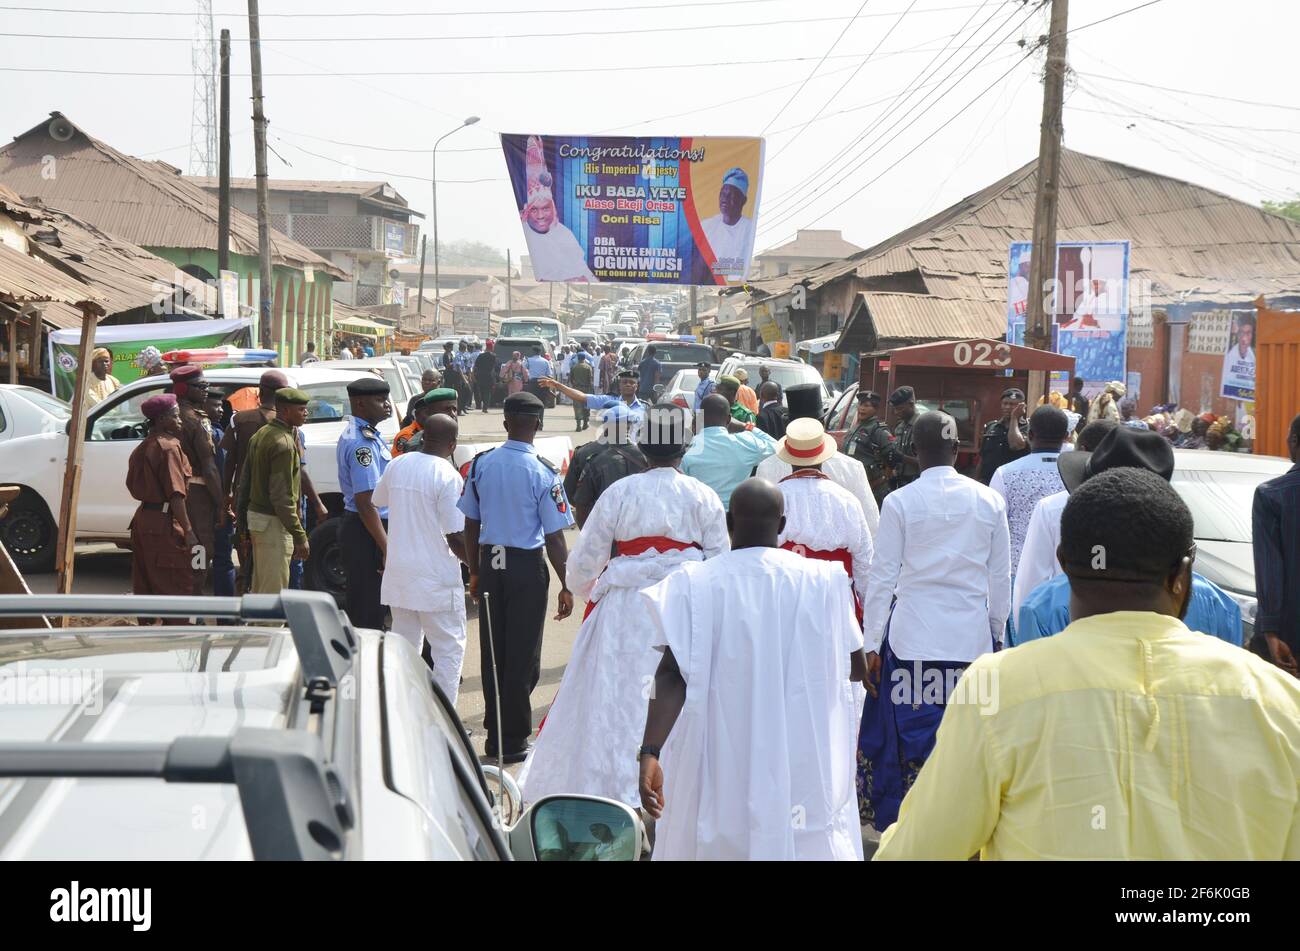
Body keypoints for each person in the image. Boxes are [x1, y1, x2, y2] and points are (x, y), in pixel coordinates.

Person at [875, 468, 1300, 860]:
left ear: (1062, 563)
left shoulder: (997, 690)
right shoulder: (1281, 703)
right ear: (1181, 575)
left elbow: (916, 852)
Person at [638, 478, 867, 860]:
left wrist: (650, 752)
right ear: (782, 525)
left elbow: (670, 674)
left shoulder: (693, 583)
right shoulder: (824, 581)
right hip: (800, 755)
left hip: (718, 751)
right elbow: (856, 668)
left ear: (729, 522)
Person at [519, 406, 727, 809]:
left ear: (642, 449)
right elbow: (720, 562)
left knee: (615, 702)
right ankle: (678, 793)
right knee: (680, 696)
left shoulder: (621, 492)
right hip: (684, 611)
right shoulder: (703, 495)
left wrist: (588, 588)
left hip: (624, 613)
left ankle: (612, 793)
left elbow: (582, 562)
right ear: (683, 450)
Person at [857, 411, 1010, 833]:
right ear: (958, 451)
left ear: (914, 453)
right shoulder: (989, 501)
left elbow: (882, 577)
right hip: (970, 642)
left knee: (909, 738)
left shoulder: (900, 502)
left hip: (912, 641)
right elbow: (1000, 578)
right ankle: (964, 825)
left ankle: (913, 829)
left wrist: (871, 645)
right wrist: (996, 634)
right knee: (966, 738)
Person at [459, 391, 575, 762]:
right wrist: (567, 584)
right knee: (523, 655)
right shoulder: (543, 471)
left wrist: (475, 572)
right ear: (538, 425)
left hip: (491, 565)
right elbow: (555, 537)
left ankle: (496, 736)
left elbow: (470, 522)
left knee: (494, 651)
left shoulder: (481, 465)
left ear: (505, 422)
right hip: (526, 567)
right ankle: (514, 740)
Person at [372, 411, 469, 702]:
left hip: (400, 575)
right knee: (448, 652)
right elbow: (455, 535)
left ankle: (401, 712)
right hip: (435, 579)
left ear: (423, 436)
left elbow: (378, 502)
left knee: (404, 649)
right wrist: (475, 568)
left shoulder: (398, 464)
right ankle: (444, 722)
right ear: (452, 444)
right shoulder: (447, 476)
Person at [1011, 419, 1119, 627]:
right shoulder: (1139, 506)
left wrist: (1023, 632)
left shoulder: (1052, 507)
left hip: (1064, 628)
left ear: (1083, 451)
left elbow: (1031, 582)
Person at [774, 418, 873, 623]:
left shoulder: (775, 497)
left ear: (789, 458)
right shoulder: (847, 500)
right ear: (823, 456)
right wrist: (866, 609)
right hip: (836, 602)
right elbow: (864, 563)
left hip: (785, 601)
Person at [757, 383, 880, 539]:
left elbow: (759, 527)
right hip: (837, 560)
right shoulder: (851, 467)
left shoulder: (767, 467)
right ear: (822, 424)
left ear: (789, 426)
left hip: (781, 559)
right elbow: (871, 526)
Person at [236, 388, 311, 594]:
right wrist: (300, 535)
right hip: (273, 524)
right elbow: (281, 497)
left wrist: (242, 522)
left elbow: (245, 481)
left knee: (261, 590)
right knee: (273, 594)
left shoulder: (263, 433)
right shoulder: (283, 443)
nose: (306, 413)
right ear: (286, 411)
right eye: (301, 409)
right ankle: (269, 628)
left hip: (259, 519)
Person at [125, 395, 198, 602]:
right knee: (175, 585)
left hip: (144, 520)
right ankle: (177, 632)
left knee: (147, 583)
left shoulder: (144, 446)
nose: (180, 421)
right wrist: (189, 531)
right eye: (176, 416)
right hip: (164, 523)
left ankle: (150, 629)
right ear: (162, 419)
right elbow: (175, 494)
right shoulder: (168, 447)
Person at [337, 376, 393, 630]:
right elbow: (366, 501)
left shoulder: (364, 433)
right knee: (369, 609)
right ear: (360, 404)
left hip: (367, 527)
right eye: (380, 400)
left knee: (371, 605)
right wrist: (386, 546)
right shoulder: (362, 442)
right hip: (367, 529)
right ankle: (364, 667)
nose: (387, 405)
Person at [988, 404, 1068, 579]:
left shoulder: (1005, 473)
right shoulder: (1075, 474)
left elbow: (992, 525)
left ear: (1030, 435)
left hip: (1016, 570)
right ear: (1066, 437)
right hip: (1064, 573)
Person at [1252, 412, 1300, 676]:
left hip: (1289, 638)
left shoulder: (1272, 495)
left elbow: (1270, 568)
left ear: (1294, 440)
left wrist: (1270, 631)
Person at [170, 365, 223, 596]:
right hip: (198, 496)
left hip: (174, 493)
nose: (206, 390)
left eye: (206, 385)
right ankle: (195, 611)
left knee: (179, 553)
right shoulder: (199, 420)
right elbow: (210, 468)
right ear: (183, 389)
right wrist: (221, 504)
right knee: (201, 549)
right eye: (200, 386)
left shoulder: (170, 416)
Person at [679, 393, 777, 509]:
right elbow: (775, 445)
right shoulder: (745, 443)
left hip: (700, 520)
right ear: (729, 419)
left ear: (700, 417)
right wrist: (747, 426)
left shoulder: (686, 448)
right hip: (736, 520)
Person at [569, 403, 648, 527]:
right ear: (630, 426)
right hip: (638, 527)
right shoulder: (645, 457)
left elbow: (573, 497)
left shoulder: (585, 454)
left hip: (600, 527)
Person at [520, 182, 598, 282]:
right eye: (534, 210)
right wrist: (571, 281)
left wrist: (591, 281)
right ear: (526, 212)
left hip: (574, 291)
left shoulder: (564, 233)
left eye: (545, 209)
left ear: (553, 209)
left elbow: (582, 268)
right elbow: (532, 278)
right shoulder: (523, 233)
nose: (540, 216)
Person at [695, 167, 757, 284]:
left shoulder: (749, 229)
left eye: (731, 195)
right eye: (723, 193)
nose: (725, 199)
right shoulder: (707, 226)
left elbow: (741, 269)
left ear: (743, 200)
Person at [540, 367, 649, 431]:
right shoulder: (608, 401)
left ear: (637, 386)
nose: (628, 385)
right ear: (619, 385)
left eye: (632, 383)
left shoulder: (645, 407)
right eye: (625, 382)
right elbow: (581, 396)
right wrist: (558, 385)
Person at [205, 390, 237, 598]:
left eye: (221, 406)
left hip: (203, 505)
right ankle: (226, 617)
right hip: (215, 506)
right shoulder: (213, 434)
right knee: (222, 559)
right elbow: (221, 470)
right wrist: (224, 506)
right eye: (215, 406)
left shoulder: (210, 430)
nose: (220, 411)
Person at [841, 389, 896, 506]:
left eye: (867, 406)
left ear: (875, 409)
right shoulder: (855, 427)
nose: (862, 408)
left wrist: (884, 477)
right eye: (860, 404)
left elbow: (892, 454)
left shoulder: (878, 430)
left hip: (874, 487)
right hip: (856, 485)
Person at [977, 386, 1030, 484]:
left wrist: (1014, 418)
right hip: (988, 481)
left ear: (1022, 406)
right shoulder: (991, 426)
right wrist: (977, 480)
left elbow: (1015, 445)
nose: (1008, 407)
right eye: (1005, 403)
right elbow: (982, 458)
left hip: (1014, 483)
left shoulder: (1028, 428)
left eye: (1013, 404)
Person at [393, 387, 457, 457]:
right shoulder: (412, 440)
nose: (453, 414)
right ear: (428, 412)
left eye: (454, 409)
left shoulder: (445, 432)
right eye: (446, 409)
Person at [888, 385, 920, 489]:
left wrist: (902, 457)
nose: (896, 412)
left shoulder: (922, 426)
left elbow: (926, 461)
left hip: (916, 481)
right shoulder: (900, 427)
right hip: (900, 481)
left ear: (911, 404)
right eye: (895, 409)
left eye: (900, 409)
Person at [569, 351, 594, 431]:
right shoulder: (588, 367)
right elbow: (590, 380)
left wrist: (574, 386)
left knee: (577, 407)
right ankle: (585, 423)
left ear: (578, 358)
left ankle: (578, 425)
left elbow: (571, 379)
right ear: (584, 358)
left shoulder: (574, 367)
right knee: (586, 406)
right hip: (586, 389)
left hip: (576, 389)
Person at [472, 343, 498, 413]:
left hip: (481, 376)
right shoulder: (493, 356)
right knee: (488, 392)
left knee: (482, 391)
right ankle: (485, 407)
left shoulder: (481, 356)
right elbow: (495, 366)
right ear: (491, 348)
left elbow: (476, 366)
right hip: (489, 376)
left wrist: (474, 375)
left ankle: (483, 405)